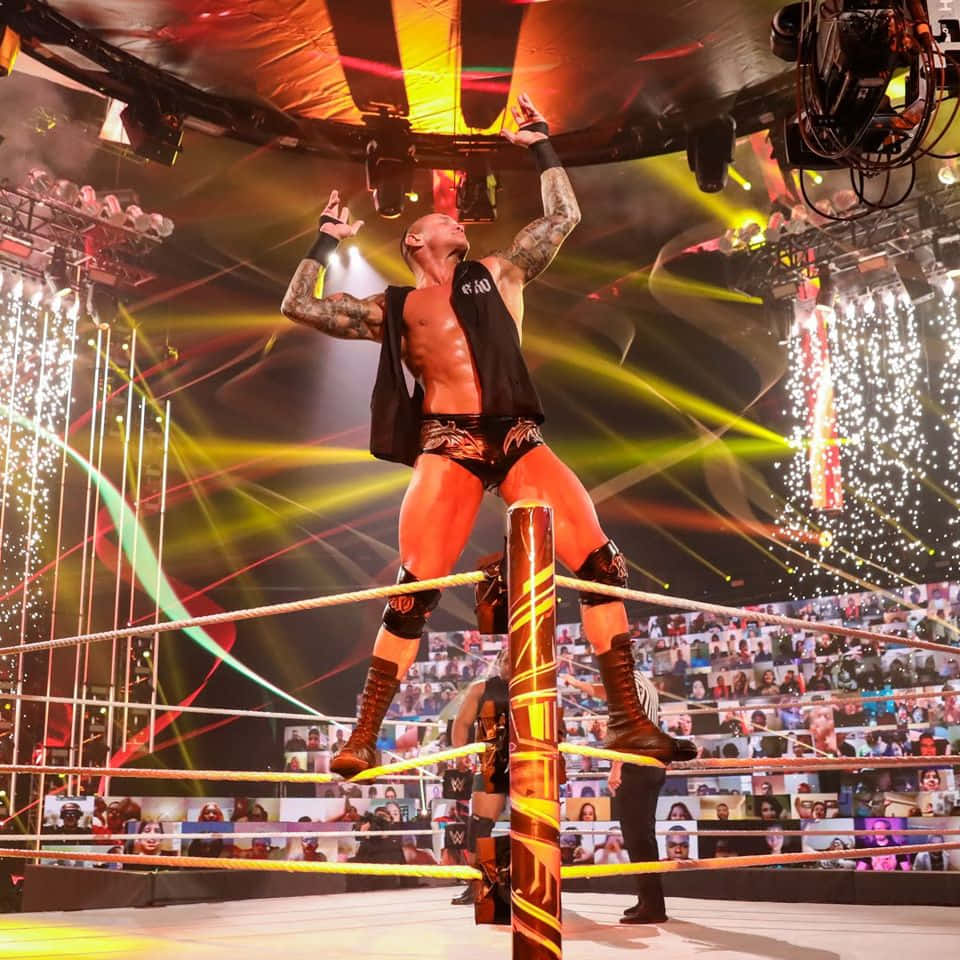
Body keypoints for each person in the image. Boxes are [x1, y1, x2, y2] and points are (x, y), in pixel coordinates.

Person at [281, 92, 695, 778]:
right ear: (415, 240)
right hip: (449, 441)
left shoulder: (500, 273)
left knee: (602, 564)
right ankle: (362, 737)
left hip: (516, 434)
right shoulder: (396, 306)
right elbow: (298, 304)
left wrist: (539, 144)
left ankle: (628, 720)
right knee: (414, 590)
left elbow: (564, 215)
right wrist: (326, 238)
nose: (454, 217)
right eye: (438, 215)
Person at [449, 646, 510, 905]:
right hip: (491, 762)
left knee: (533, 829)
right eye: (506, 659)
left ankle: (524, 886)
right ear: (499, 662)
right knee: (480, 827)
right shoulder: (481, 688)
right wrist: (460, 754)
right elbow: (462, 723)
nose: (511, 664)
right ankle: (478, 886)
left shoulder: (535, 687)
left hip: (528, 763)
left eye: (515, 659)